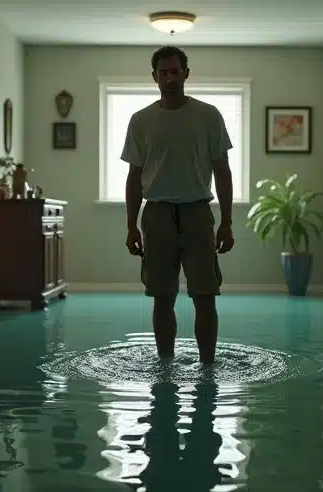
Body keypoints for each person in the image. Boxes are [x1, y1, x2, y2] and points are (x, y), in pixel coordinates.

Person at [121, 45, 235, 365]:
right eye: (164, 72)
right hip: (156, 214)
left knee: (205, 295)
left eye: (175, 71)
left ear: (186, 73)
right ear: (155, 77)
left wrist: (226, 221)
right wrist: (131, 225)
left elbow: (222, 171)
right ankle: (166, 364)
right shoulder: (141, 120)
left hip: (198, 213)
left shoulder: (208, 115)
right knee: (162, 297)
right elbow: (134, 177)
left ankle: (208, 365)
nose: (170, 78)